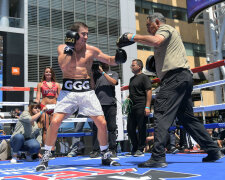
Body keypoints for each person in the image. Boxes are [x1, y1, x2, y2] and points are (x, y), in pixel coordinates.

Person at [117, 12, 224, 168]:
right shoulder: (168, 38)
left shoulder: (165, 29)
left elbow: (156, 40)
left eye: (148, 25)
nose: (147, 28)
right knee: (187, 118)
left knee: (160, 111)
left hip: (175, 78)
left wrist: (131, 37)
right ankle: (213, 150)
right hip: (183, 78)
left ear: (158, 23)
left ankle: (158, 156)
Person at [36, 21, 127, 171]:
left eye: (87, 34)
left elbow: (109, 60)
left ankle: (105, 155)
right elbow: (63, 66)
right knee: (56, 121)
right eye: (83, 34)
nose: (86, 37)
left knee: (102, 123)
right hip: (68, 92)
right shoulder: (62, 48)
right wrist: (70, 48)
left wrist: (118, 58)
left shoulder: (91, 50)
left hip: (86, 92)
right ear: (74, 35)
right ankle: (46, 156)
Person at [90, 62, 119, 158]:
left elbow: (114, 82)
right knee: (96, 128)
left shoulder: (113, 73)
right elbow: (92, 87)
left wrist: (103, 73)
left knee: (112, 128)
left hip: (110, 104)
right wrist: (91, 74)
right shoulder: (96, 75)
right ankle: (96, 150)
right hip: (98, 105)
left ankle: (113, 149)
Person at [126, 59, 152, 157]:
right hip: (132, 106)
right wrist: (129, 97)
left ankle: (141, 149)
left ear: (139, 66)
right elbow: (134, 91)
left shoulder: (144, 77)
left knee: (141, 127)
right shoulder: (131, 79)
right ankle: (135, 147)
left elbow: (149, 91)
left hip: (141, 105)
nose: (131, 67)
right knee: (130, 128)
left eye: (133, 65)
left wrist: (147, 106)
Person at [35, 67, 61, 146]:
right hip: (44, 107)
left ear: (52, 73)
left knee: (53, 130)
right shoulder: (40, 84)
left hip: (54, 108)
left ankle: (52, 149)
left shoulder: (57, 84)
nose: (48, 73)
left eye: (50, 72)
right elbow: (38, 97)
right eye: (46, 72)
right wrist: (36, 104)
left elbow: (60, 98)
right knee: (46, 129)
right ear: (44, 73)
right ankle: (46, 150)